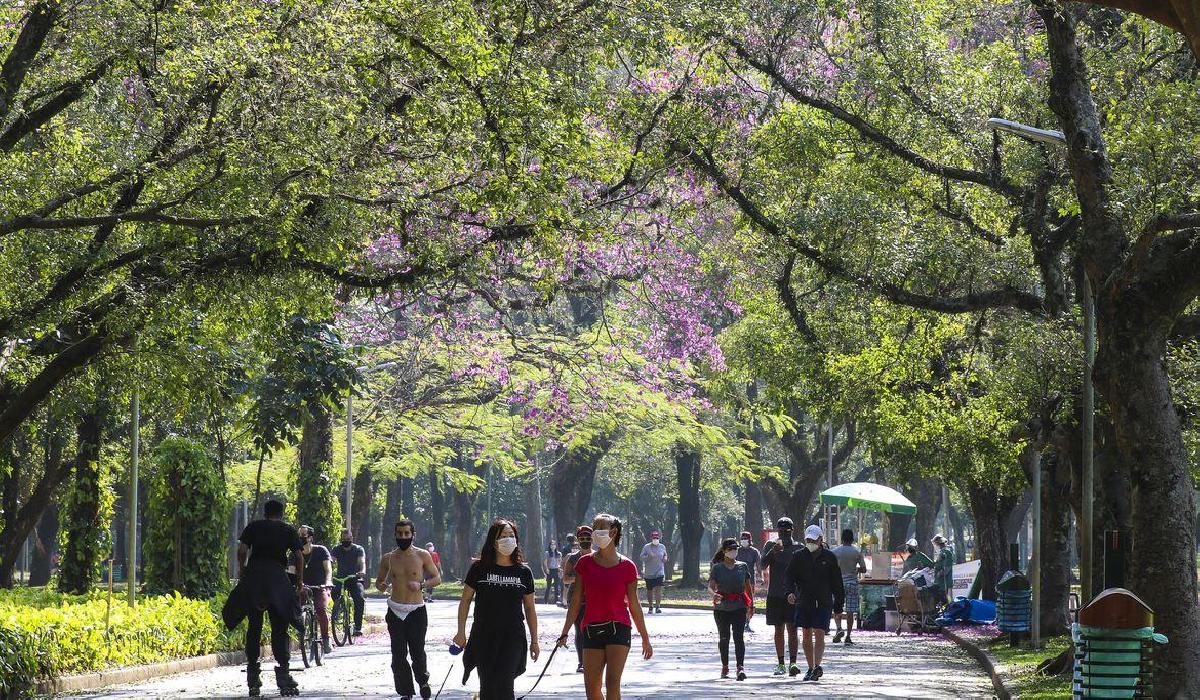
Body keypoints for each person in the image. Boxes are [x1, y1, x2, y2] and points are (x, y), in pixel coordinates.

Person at [558, 513, 653, 700]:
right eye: (595, 527)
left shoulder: (627, 566)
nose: (596, 531)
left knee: (612, 683)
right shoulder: (584, 563)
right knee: (592, 690)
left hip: (619, 628)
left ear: (613, 532)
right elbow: (576, 601)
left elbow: (634, 604)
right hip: (592, 629)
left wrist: (645, 637)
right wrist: (565, 631)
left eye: (601, 527)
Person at [222, 499, 304, 696]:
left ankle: (252, 676)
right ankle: (283, 675)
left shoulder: (253, 527)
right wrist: (299, 583)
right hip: (277, 578)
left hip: (255, 578)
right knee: (280, 625)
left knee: (254, 626)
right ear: (282, 513)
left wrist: (243, 570)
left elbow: (242, 550)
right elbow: (299, 557)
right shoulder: (287, 530)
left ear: (264, 512)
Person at [454, 519, 539, 700]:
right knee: (488, 686)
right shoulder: (479, 569)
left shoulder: (524, 572)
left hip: (513, 637)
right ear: (494, 541)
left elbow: (530, 608)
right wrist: (461, 632)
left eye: (511, 536)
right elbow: (465, 601)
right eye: (503, 536)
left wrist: (535, 641)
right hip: (483, 636)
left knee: (505, 685)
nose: (508, 539)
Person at [376, 519, 442, 700]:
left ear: (413, 535)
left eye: (407, 533)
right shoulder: (388, 558)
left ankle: (423, 681)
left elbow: (437, 578)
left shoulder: (422, 556)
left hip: (416, 611)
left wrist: (421, 584)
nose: (403, 537)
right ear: (395, 535)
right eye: (400, 534)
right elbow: (379, 582)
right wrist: (383, 586)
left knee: (417, 652)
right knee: (398, 655)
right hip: (395, 610)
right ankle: (405, 691)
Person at [786, 525, 844, 682]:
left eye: (814, 539)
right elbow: (789, 577)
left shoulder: (829, 557)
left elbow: (837, 582)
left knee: (819, 633)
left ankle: (817, 666)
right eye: (808, 540)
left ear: (821, 539)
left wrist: (839, 604)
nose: (811, 542)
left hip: (823, 602)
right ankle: (810, 667)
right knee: (806, 634)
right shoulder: (798, 556)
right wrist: (789, 592)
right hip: (804, 601)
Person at [761, 516, 802, 677]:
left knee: (792, 628)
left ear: (792, 530)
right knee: (778, 629)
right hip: (775, 593)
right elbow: (762, 564)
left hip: (792, 594)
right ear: (777, 530)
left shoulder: (798, 547)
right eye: (781, 530)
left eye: (787, 530)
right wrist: (773, 553)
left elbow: (803, 571)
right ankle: (780, 663)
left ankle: (793, 662)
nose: (784, 533)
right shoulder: (771, 545)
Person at [709, 537, 753, 681]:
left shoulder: (743, 566)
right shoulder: (717, 568)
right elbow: (710, 586)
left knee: (739, 637)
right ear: (724, 551)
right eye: (730, 549)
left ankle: (740, 667)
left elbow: (748, 587)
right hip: (722, 608)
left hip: (739, 606)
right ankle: (725, 666)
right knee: (724, 637)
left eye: (735, 549)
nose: (733, 552)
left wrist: (751, 605)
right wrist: (714, 594)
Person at [561, 525, 593, 673]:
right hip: (576, 599)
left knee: (592, 631)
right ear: (578, 540)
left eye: (588, 538)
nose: (585, 541)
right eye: (582, 539)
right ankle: (582, 662)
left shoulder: (597, 557)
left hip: (594, 599)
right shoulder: (572, 558)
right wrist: (578, 579)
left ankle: (593, 660)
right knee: (579, 630)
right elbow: (565, 579)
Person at [298, 525, 334, 655]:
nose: (301, 538)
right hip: (303, 587)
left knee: (320, 609)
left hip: (320, 587)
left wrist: (328, 582)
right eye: (299, 535)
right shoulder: (295, 553)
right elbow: (291, 570)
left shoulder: (321, 550)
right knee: (294, 609)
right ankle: (303, 635)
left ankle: (325, 638)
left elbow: (328, 569)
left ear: (310, 538)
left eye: (303, 535)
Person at [830, 529, 867, 645]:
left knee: (838, 608)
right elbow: (864, 569)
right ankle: (849, 636)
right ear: (852, 539)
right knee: (850, 611)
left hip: (838, 583)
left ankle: (839, 628)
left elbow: (830, 568)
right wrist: (856, 569)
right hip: (852, 583)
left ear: (842, 538)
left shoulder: (835, 551)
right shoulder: (856, 552)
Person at [332, 528, 367, 636]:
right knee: (334, 592)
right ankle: (339, 607)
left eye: (349, 538)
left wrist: (361, 571)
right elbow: (331, 560)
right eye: (344, 539)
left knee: (359, 599)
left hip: (354, 578)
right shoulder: (336, 549)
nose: (346, 540)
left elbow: (362, 562)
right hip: (340, 578)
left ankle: (357, 627)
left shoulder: (358, 549)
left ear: (352, 538)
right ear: (341, 539)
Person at [734, 531, 761, 633]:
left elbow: (758, 565)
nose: (744, 540)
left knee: (749, 602)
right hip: (737, 581)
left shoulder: (754, 552)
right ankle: (738, 623)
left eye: (746, 538)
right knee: (739, 602)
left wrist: (761, 577)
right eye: (742, 538)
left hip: (750, 581)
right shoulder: (736, 551)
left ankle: (747, 622)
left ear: (750, 540)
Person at [639, 530, 668, 614]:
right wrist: (648, 556)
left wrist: (665, 558)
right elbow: (641, 557)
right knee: (650, 590)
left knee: (658, 589)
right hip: (649, 573)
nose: (655, 539)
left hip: (659, 571)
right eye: (654, 538)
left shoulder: (662, 546)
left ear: (659, 538)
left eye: (657, 538)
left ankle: (658, 606)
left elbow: (665, 554)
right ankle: (650, 606)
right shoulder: (646, 547)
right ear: (651, 538)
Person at [931, 534, 955, 603]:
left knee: (948, 601)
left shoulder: (947, 552)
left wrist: (940, 573)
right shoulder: (942, 552)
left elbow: (947, 567)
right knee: (942, 601)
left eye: (935, 543)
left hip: (945, 582)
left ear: (938, 543)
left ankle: (950, 612)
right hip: (940, 582)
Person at [544, 539, 564, 605]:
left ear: (556, 546)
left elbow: (560, 562)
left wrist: (560, 569)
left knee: (556, 586)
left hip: (556, 570)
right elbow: (545, 561)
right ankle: (545, 600)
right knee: (548, 586)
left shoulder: (558, 553)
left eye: (554, 545)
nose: (553, 546)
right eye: (551, 545)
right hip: (550, 570)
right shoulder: (547, 553)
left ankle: (556, 601)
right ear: (549, 546)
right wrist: (546, 569)